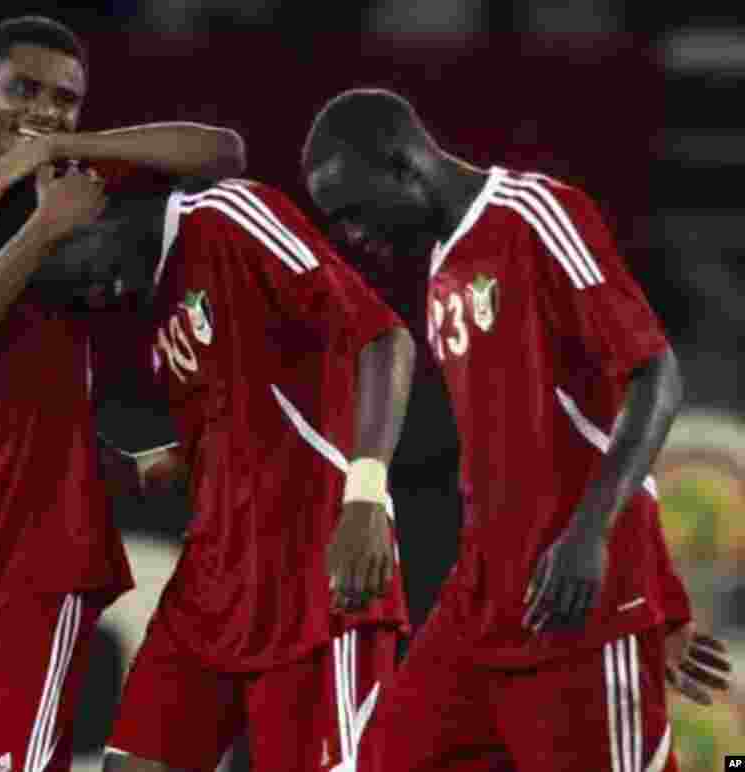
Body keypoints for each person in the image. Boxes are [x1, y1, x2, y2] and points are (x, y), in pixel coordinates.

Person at [301, 88, 732, 770]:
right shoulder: (441, 272)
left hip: (582, 601)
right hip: (484, 600)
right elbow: (525, 449)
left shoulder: (536, 213)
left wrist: (613, 558)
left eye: (353, 213)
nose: (354, 238)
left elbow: (656, 377)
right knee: (380, 757)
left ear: (404, 164)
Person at [0, 15, 247, 772]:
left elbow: (222, 153)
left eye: (66, 100)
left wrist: (70, 151)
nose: (45, 110)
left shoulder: (87, 192)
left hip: (45, 555)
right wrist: (44, 228)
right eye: (24, 90)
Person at [13, 173, 416, 772]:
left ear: (97, 214)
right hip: (212, 586)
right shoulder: (151, 306)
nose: (93, 294)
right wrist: (134, 470)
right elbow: (234, 431)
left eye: (79, 269)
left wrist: (363, 500)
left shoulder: (226, 216)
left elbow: (384, 338)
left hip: (317, 575)